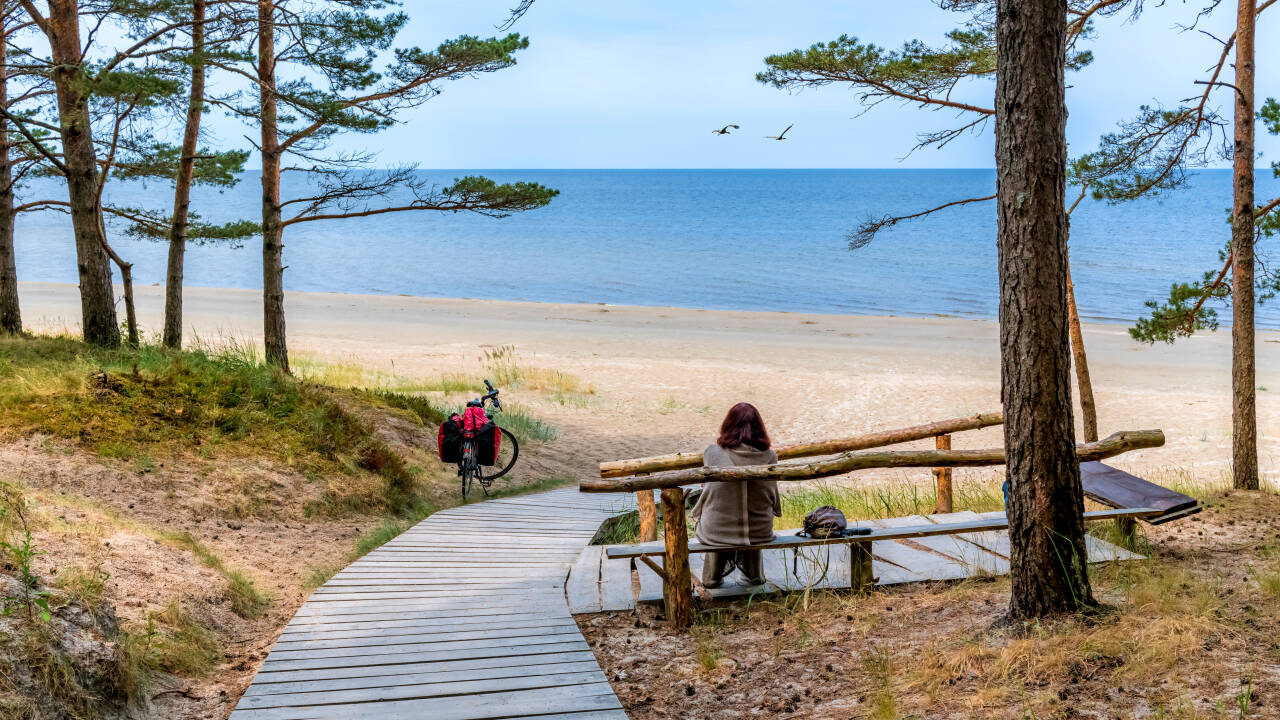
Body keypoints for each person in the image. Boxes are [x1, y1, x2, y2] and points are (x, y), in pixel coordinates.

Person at [690, 402, 781, 588]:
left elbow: (710, 488)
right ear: (759, 427)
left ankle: (712, 577)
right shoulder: (770, 455)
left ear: (728, 425)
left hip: (717, 532)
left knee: (717, 518)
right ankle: (753, 576)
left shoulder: (713, 452)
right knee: (747, 517)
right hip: (759, 531)